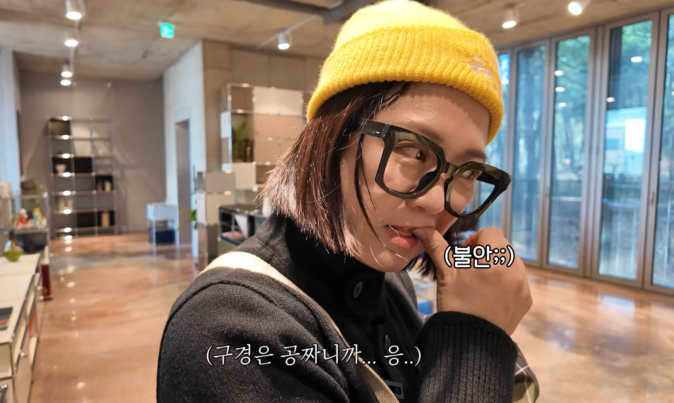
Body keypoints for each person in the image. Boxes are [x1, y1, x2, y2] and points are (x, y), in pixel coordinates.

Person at [157, 0, 533, 402]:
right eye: (413, 151)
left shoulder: (389, 279)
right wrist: (474, 340)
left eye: (469, 172)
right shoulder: (229, 330)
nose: (437, 201)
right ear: (331, 139)